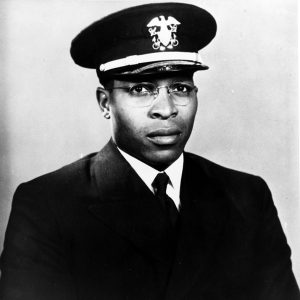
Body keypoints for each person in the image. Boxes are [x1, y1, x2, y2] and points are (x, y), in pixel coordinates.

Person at [0, 2, 299, 300]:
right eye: (141, 89)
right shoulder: (47, 207)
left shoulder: (247, 197)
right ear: (105, 103)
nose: (166, 110)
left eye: (180, 88)